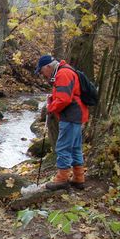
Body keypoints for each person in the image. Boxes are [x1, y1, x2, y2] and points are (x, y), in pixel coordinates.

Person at [34, 55, 89, 190]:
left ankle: (62, 179)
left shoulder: (62, 74)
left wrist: (50, 108)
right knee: (75, 147)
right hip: (77, 114)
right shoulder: (65, 71)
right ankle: (78, 178)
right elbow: (66, 95)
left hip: (71, 115)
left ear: (48, 66)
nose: (42, 75)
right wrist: (53, 98)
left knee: (63, 146)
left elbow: (64, 99)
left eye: (41, 71)